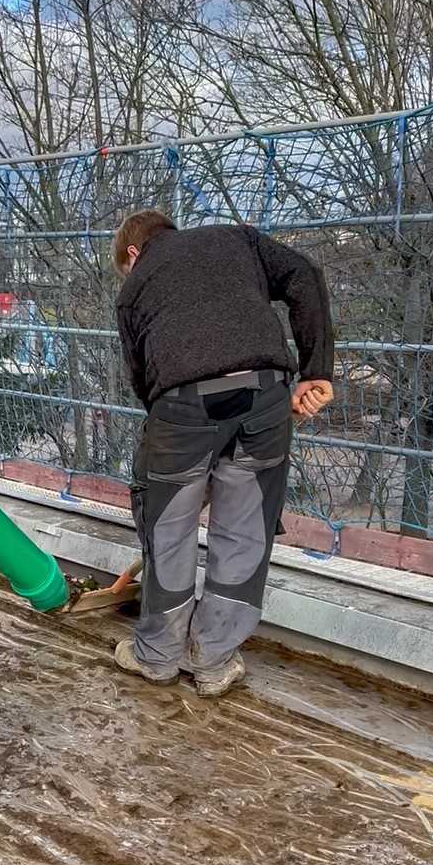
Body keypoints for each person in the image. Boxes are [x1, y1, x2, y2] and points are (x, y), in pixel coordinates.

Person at [113, 210, 334, 698]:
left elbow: (142, 379)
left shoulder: (133, 288)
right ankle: (212, 661)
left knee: (167, 529)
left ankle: (156, 657)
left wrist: (180, 435)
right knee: (244, 530)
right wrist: (316, 371)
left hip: (181, 408)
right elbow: (305, 275)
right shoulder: (238, 240)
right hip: (265, 397)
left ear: (133, 253)